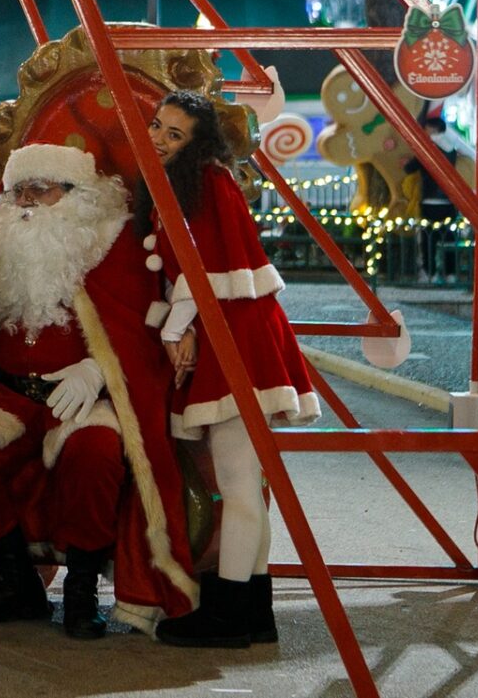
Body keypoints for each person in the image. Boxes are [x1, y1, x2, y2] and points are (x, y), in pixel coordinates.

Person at [0, 141, 200, 640]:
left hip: (83, 398)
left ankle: (82, 589)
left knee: (95, 453)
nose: (25, 201)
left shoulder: (112, 249)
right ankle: (17, 579)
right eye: (18, 191)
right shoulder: (0, 245)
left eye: (40, 190)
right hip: (8, 397)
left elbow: (139, 332)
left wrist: (96, 370)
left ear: (76, 195)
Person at [141, 89, 320, 649]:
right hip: (236, 333)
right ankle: (252, 612)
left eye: (175, 134)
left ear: (198, 144)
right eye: (157, 126)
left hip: (236, 338)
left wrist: (175, 330)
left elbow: (208, 268)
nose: (160, 139)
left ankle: (226, 616)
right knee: (245, 482)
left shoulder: (208, 182)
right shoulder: (198, 181)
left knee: (239, 483)